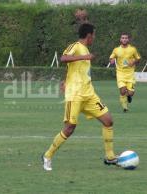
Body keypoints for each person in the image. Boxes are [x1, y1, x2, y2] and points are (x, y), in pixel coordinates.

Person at [42, 24, 117, 171]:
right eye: (93, 35)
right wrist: (84, 57)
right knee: (69, 128)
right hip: (75, 95)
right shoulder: (75, 46)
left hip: (89, 94)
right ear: (89, 35)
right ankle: (47, 155)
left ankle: (109, 157)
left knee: (108, 120)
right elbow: (63, 58)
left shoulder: (86, 49)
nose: (94, 37)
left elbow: (73, 69)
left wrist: (65, 80)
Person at [109, 33, 141, 112]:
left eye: (126, 38)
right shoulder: (116, 50)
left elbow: (138, 58)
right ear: (120, 39)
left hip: (130, 74)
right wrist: (112, 61)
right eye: (123, 38)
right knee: (122, 91)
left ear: (128, 39)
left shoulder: (133, 49)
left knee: (130, 93)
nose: (124, 39)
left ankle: (128, 96)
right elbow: (111, 58)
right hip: (120, 73)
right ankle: (125, 107)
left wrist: (133, 62)